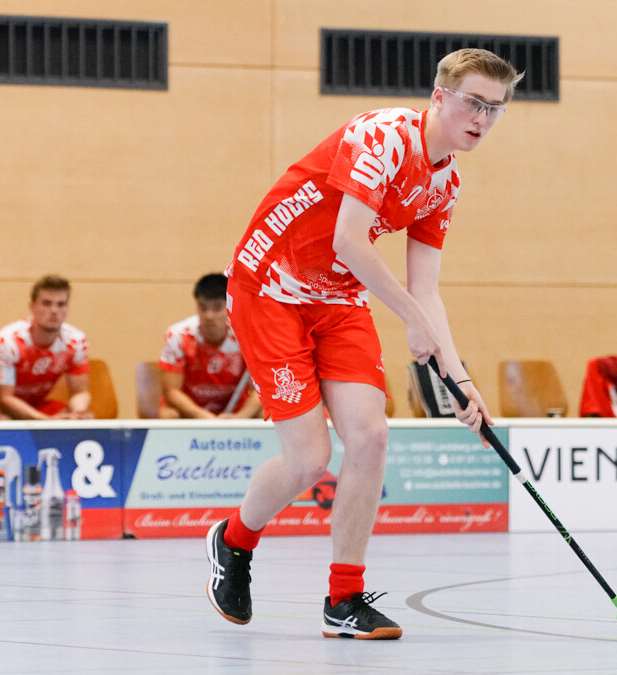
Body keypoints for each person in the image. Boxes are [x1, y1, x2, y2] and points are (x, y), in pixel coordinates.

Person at [205, 48, 523, 639]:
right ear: (439, 97)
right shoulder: (380, 137)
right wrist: (411, 320)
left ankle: (343, 598)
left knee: (372, 436)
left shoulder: (446, 182)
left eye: (496, 109)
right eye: (474, 103)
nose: (483, 118)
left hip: (337, 297)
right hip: (268, 285)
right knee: (308, 459)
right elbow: (350, 240)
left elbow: (426, 290)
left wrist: (461, 381)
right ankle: (233, 540)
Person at [0, 274, 92, 420]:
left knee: (86, 417)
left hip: (38, 405)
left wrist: (78, 413)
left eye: (61, 304)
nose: (54, 311)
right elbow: (3, 398)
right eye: (47, 304)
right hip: (2, 407)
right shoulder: (8, 342)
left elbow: (80, 392)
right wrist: (44, 421)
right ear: (32, 306)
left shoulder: (76, 342)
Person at [158, 273, 261, 419]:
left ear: (229, 306)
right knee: (168, 415)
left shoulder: (248, 335)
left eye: (217, 308)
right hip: (192, 409)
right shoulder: (178, 335)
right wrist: (203, 416)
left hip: (235, 410)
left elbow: (262, 389)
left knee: (266, 414)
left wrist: (240, 417)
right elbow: (172, 392)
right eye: (203, 307)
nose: (209, 316)